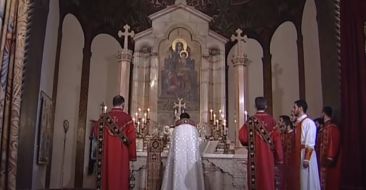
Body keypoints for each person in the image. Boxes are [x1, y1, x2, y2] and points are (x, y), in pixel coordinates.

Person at [238, 97, 284, 190]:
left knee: (257, 181)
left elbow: (242, 137)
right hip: (268, 158)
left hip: (254, 158)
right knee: (268, 180)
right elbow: (278, 141)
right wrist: (279, 158)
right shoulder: (272, 121)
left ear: (255, 106)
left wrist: (249, 144)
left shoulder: (250, 121)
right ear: (266, 106)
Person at [98, 95, 137, 190]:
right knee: (120, 179)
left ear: (113, 103)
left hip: (107, 155)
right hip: (122, 156)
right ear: (123, 104)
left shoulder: (104, 118)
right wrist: (132, 156)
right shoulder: (127, 118)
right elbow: (131, 139)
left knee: (108, 176)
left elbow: (96, 133)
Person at [161, 112, 205, 190]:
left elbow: (172, 147)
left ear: (180, 119)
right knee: (193, 178)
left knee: (177, 175)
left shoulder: (176, 129)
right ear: (189, 118)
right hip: (192, 162)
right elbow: (198, 144)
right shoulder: (194, 129)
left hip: (178, 161)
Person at [290, 99, 321, 190]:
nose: (293, 109)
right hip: (298, 154)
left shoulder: (309, 123)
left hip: (305, 154)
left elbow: (310, 142)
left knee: (307, 181)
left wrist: (307, 158)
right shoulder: (298, 123)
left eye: (294, 107)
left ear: (300, 108)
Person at [317, 106, 341, 190]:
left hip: (329, 163)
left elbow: (332, 145)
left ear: (323, 113)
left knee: (330, 184)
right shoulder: (324, 128)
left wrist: (329, 158)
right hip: (322, 162)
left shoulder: (332, 128)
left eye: (321, 113)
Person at [278, 115, 296, 190]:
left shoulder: (294, 134)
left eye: (281, 121)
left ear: (286, 123)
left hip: (292, 163)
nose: (279, 124)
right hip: (284, 163)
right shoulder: (283, 135)